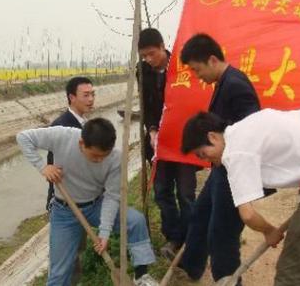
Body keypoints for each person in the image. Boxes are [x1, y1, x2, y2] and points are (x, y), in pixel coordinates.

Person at [181, 109, 300, 286]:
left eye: (203, 154)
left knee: (293, 267)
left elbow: (248, 215)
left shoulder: (235, 153)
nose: (206, 160)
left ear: (212, 137)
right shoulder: (249, 123)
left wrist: (269, 231)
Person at [17, 118, 158, 286]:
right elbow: (23, 137)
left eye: (103, 156)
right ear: (82, 143)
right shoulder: (62, 136)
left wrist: (104, 233)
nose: (99, 160)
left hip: (95, 205)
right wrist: (42, 167)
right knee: (60, 271)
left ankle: (141, 276)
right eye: (95, 155)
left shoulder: (115, 158)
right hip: (64, 212)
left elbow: (112, 197)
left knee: (135, 221)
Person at [178, 33, 267, 282]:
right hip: (222, 168)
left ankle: (227, 280)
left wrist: (233, 162)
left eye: (197, 70)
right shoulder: (224, 82)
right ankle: (191, 268)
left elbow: (253, 130)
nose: (198, 77)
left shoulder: (236, 86)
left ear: (212, 59)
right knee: (200, 214)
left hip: (233, 172)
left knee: (222, 235)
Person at [137, 28, 199, 259]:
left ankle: (191, 238)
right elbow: (147, 106)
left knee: (185, 192)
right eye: (144, 56)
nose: (149, 60)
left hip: (183, 143)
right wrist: (152, 130)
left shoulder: (184, 67)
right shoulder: (142, 71)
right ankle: (173, 237)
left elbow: (192, 102)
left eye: (152, 54)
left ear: (163, 46)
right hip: (159, 144)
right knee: (162, 191)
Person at [45, 76, 95, 284]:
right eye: (86, 95)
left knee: (75, 252)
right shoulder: (62, 127)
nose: (91, 99)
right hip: (66, 203)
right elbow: (54, 169)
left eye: (93, 94)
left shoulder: (84, 124)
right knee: (64, 261)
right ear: (71, 98)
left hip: (80, 201)